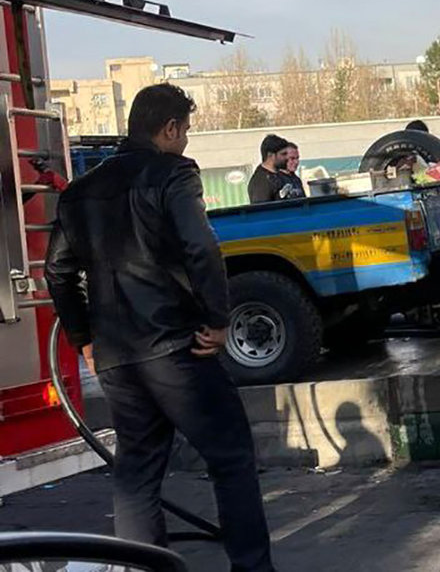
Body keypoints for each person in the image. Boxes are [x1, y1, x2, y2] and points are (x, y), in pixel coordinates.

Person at [44, 84, 274, 572]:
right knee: (230, 458)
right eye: (185, 130)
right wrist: (217, 317)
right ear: (169, 128)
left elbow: (57, 273)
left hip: (116, 358)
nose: (187, 141)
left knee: (137, 473)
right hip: (176, 347)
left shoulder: (81, 191)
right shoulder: (172, 173)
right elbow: (201, 247)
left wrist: (83, 338)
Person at [247, 134, 291, 203]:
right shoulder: (261, 182)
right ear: (270, 155)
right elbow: (262, 211)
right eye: (283, 154)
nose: (287, 158)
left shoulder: (281, 176)